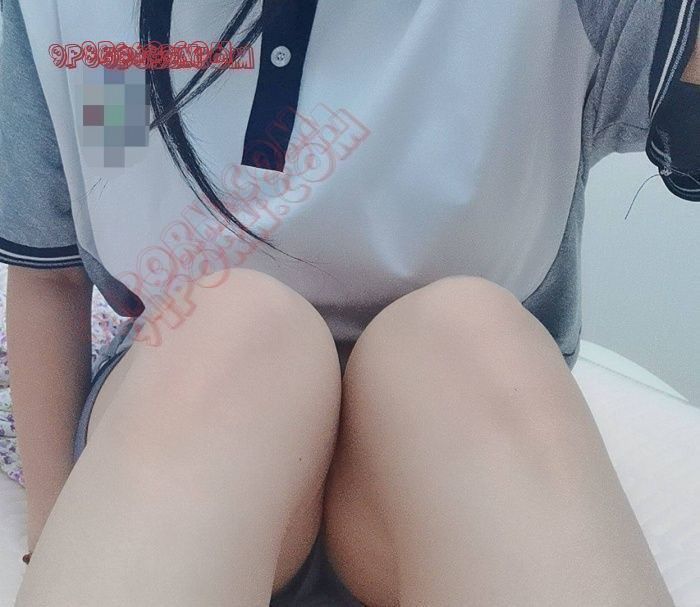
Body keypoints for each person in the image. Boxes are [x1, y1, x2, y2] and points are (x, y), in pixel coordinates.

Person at [1, 0, 698, 604]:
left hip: (440, 441)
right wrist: (55, 526)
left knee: (464, 335)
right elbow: (51, 277)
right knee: (234, 327)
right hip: (199, 396)